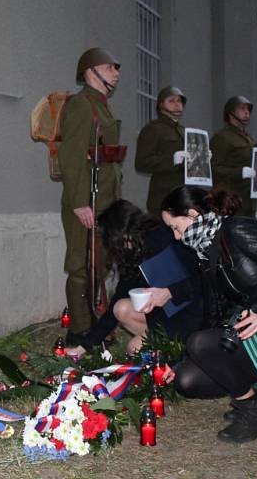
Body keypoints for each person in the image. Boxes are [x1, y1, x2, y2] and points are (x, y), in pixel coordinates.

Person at [159, 186, 257, 443]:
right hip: (251, 338)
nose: (176, 237)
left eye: (176, 227)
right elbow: (212, 316)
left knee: (200, 342)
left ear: (193, 214)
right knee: (187, 380)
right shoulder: (205, 252)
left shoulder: (237, 229)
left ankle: (253, 413)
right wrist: (186, 360)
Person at [65, 199, 203, 360]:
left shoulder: (166, 239)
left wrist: (169, 292)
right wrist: (84, 347)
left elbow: (200, 282)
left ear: (122, 234)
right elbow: (116, 303)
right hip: (166, 315)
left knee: (135, 348)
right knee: (120, 308)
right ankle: (171, 348)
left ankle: (180, 351)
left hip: (192, 314)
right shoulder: (133, 252)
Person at [58, 48, 126, 345]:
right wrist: (79, 203)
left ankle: (98, 322)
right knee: (80, 264)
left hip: (106, 195)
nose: (116, 72)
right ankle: (80, 330)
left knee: (101, 262)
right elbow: (71, 156)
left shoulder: (101, 105)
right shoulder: (81, 105)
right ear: (91, 71)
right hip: (86, 197)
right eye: (111, 67)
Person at [135, 86, 188, 214]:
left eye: (179, 101)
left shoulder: (183, 130)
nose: (177, 104)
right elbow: (142, 163)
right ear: (161, 105)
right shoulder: (153, 129)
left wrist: (201, 158)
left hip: (183, 195)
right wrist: (172, 160)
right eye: (171, 101)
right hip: (163, 197)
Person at [210, 96, 257, 216]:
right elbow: (214, 168)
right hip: (230, 201)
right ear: (231, 113)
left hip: (249, 200)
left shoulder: (250, 140)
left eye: (248, 109)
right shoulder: (221, 137)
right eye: (242, 109)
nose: (247, 112)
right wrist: (239, 172)